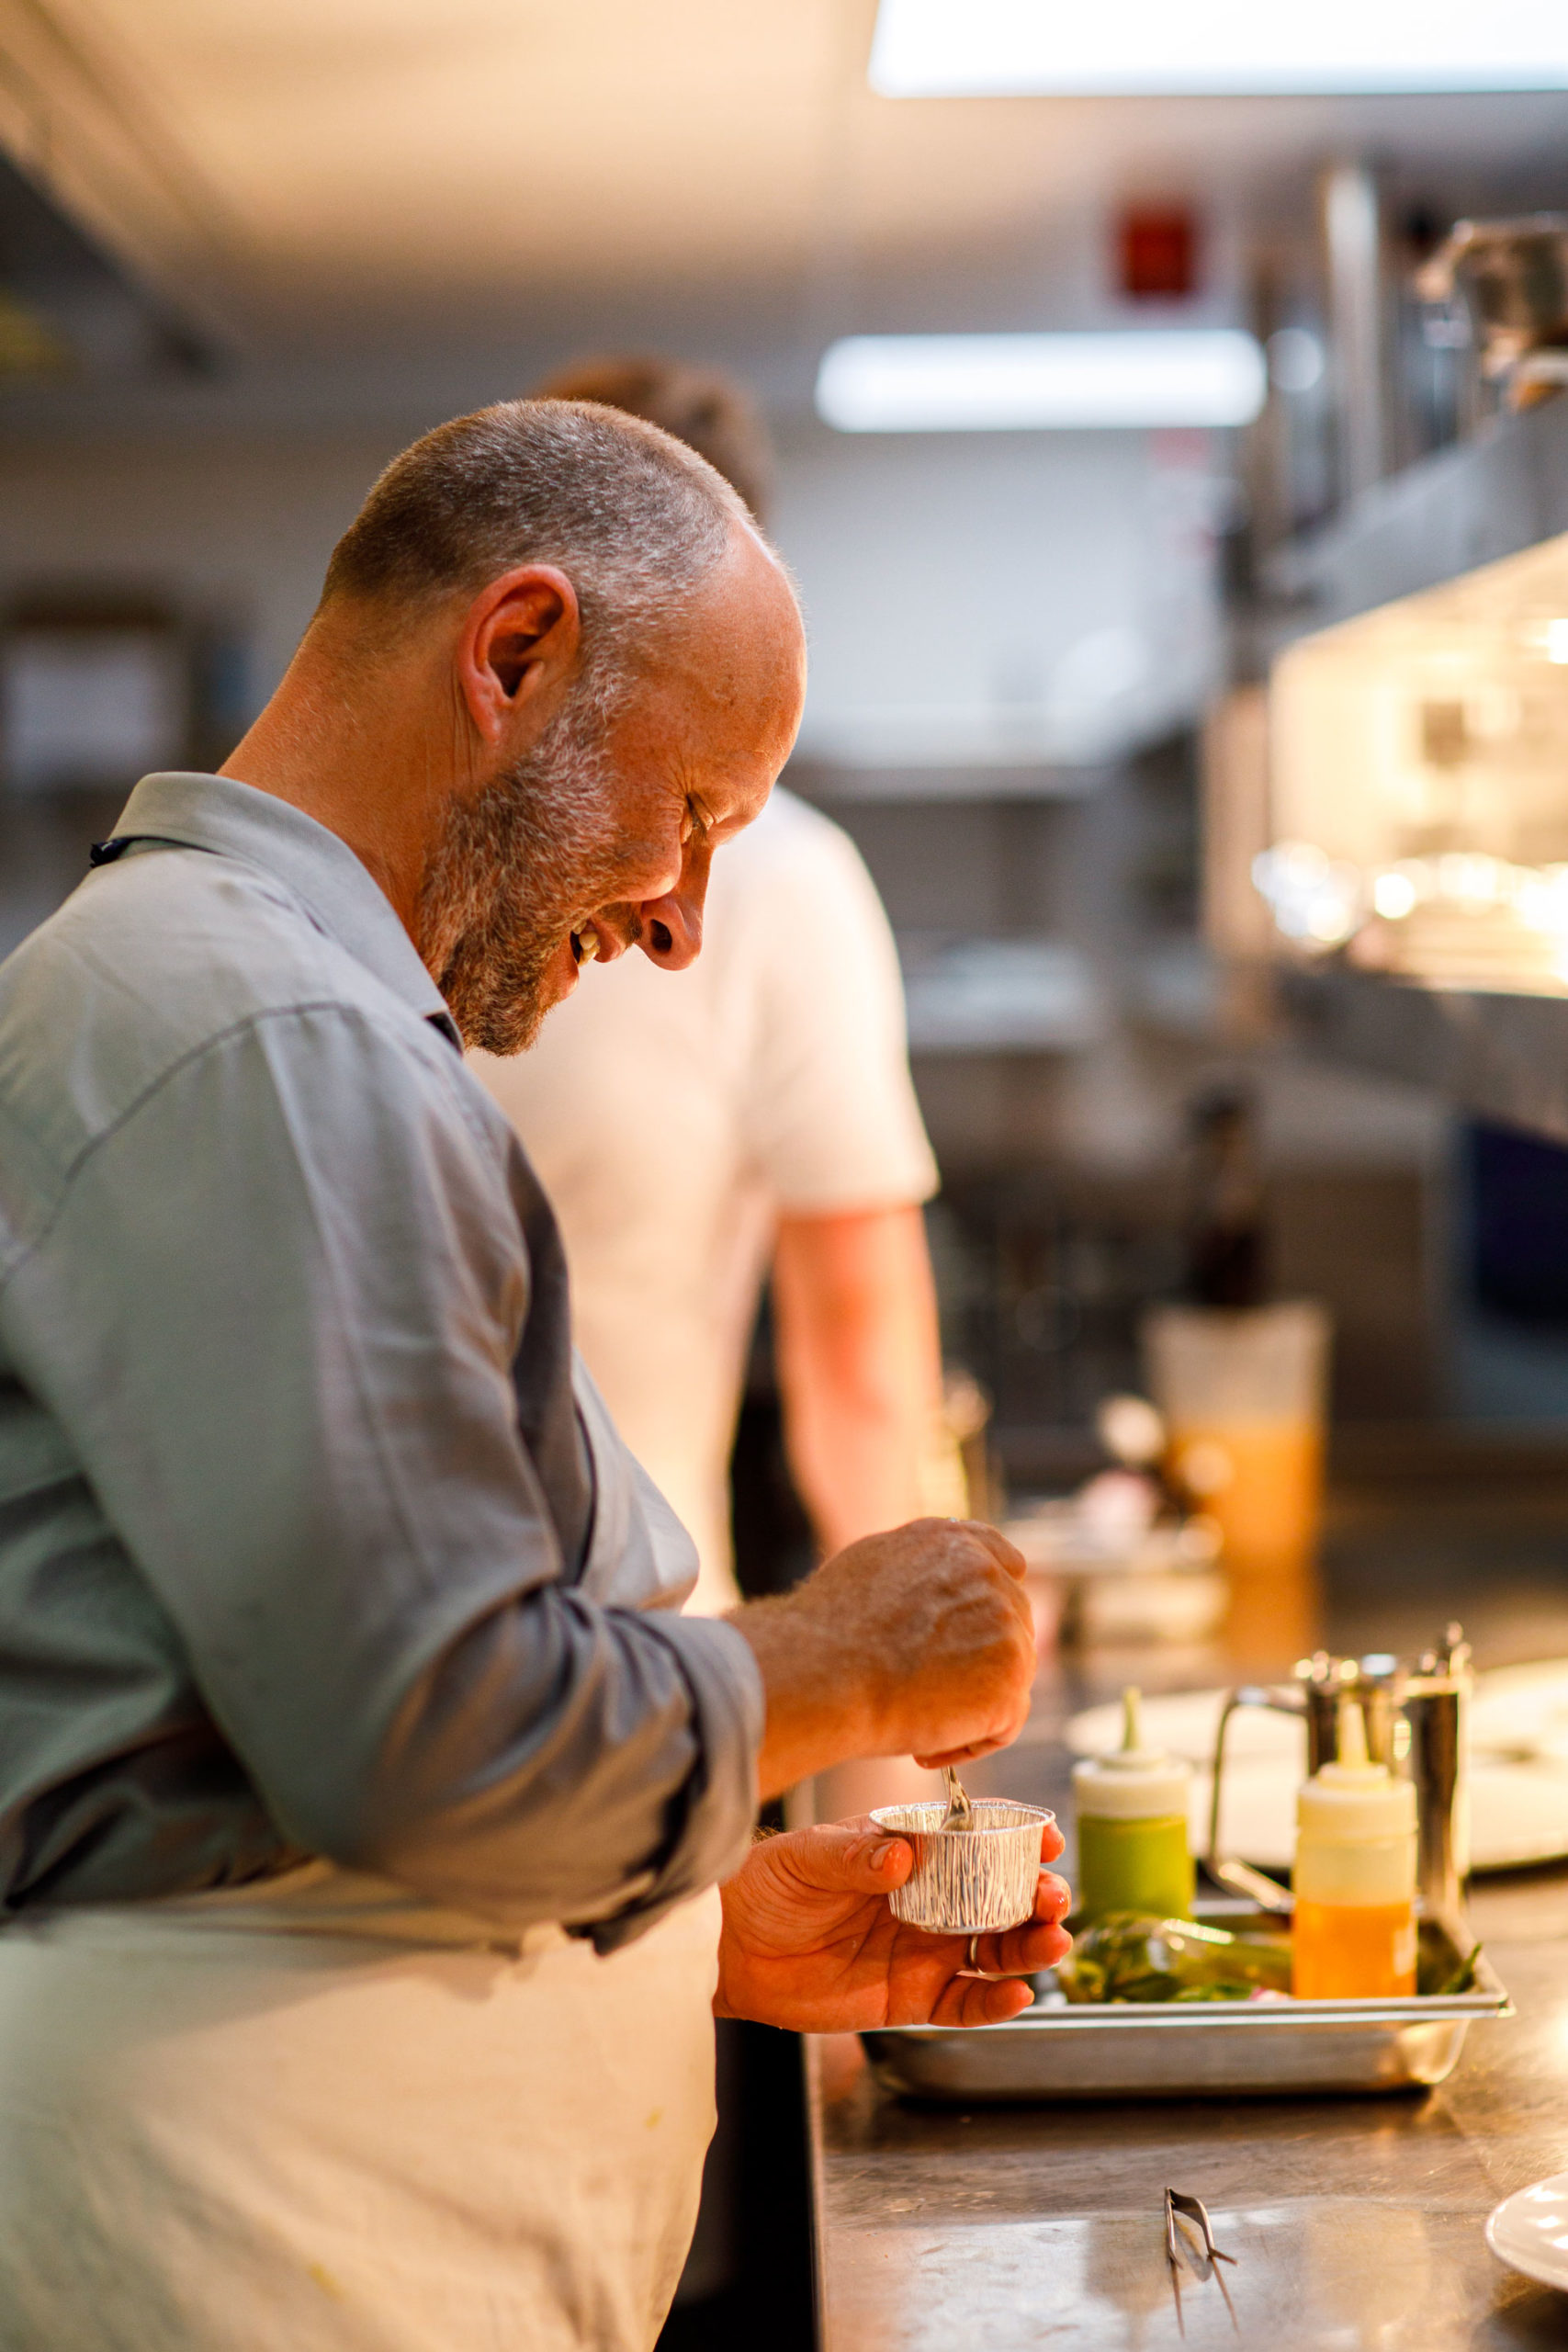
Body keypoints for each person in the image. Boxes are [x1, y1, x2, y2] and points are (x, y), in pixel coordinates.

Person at [0, 398, 1067, 2352]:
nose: (681, 923)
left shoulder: (278, 1004)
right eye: (693, 813)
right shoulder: (263, 1034)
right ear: (511, 655)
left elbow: (257, 1749)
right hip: (252, 2234)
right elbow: (429, 1727)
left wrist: (694, 1929)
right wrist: (842, 1654)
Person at [471, 356, 952, 1612]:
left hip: (457, 1656)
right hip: (632, 1651)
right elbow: (860, 1369)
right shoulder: (786, 878)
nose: (667, 916)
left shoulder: (403, 854)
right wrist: (920, 1663)